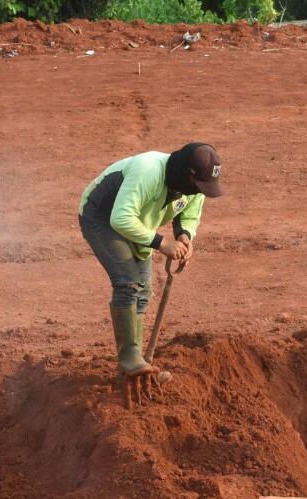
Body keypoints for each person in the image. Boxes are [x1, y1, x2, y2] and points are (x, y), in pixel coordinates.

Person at [79, 142, 222, 402]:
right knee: (127, 282)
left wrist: (184, 237)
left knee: (144, 290)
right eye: (198, 186)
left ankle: (137, 366)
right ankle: (130, 356)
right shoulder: (148, 170)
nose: (199, 191)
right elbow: (120, 219)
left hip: (139, 222)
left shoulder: (194, 184)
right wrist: (162, 243)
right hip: (102, 217)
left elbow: (189, 213)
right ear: (186, 174)